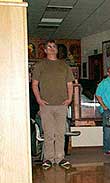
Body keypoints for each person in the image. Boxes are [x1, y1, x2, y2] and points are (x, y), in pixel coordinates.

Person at [32, 40, 74, 170]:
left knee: (61, 133)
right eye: (49, 46)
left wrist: (69, 99)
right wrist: (39, 100)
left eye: (54, 46)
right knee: (49, 133)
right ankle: (48, 159)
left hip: (62, 105)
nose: (52, 48)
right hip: (46, 106)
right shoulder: (40, 65)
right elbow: (34, 84)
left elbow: (70, 84)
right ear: (45, 50)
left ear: (57, 49)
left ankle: (60, 158)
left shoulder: (64, 65)